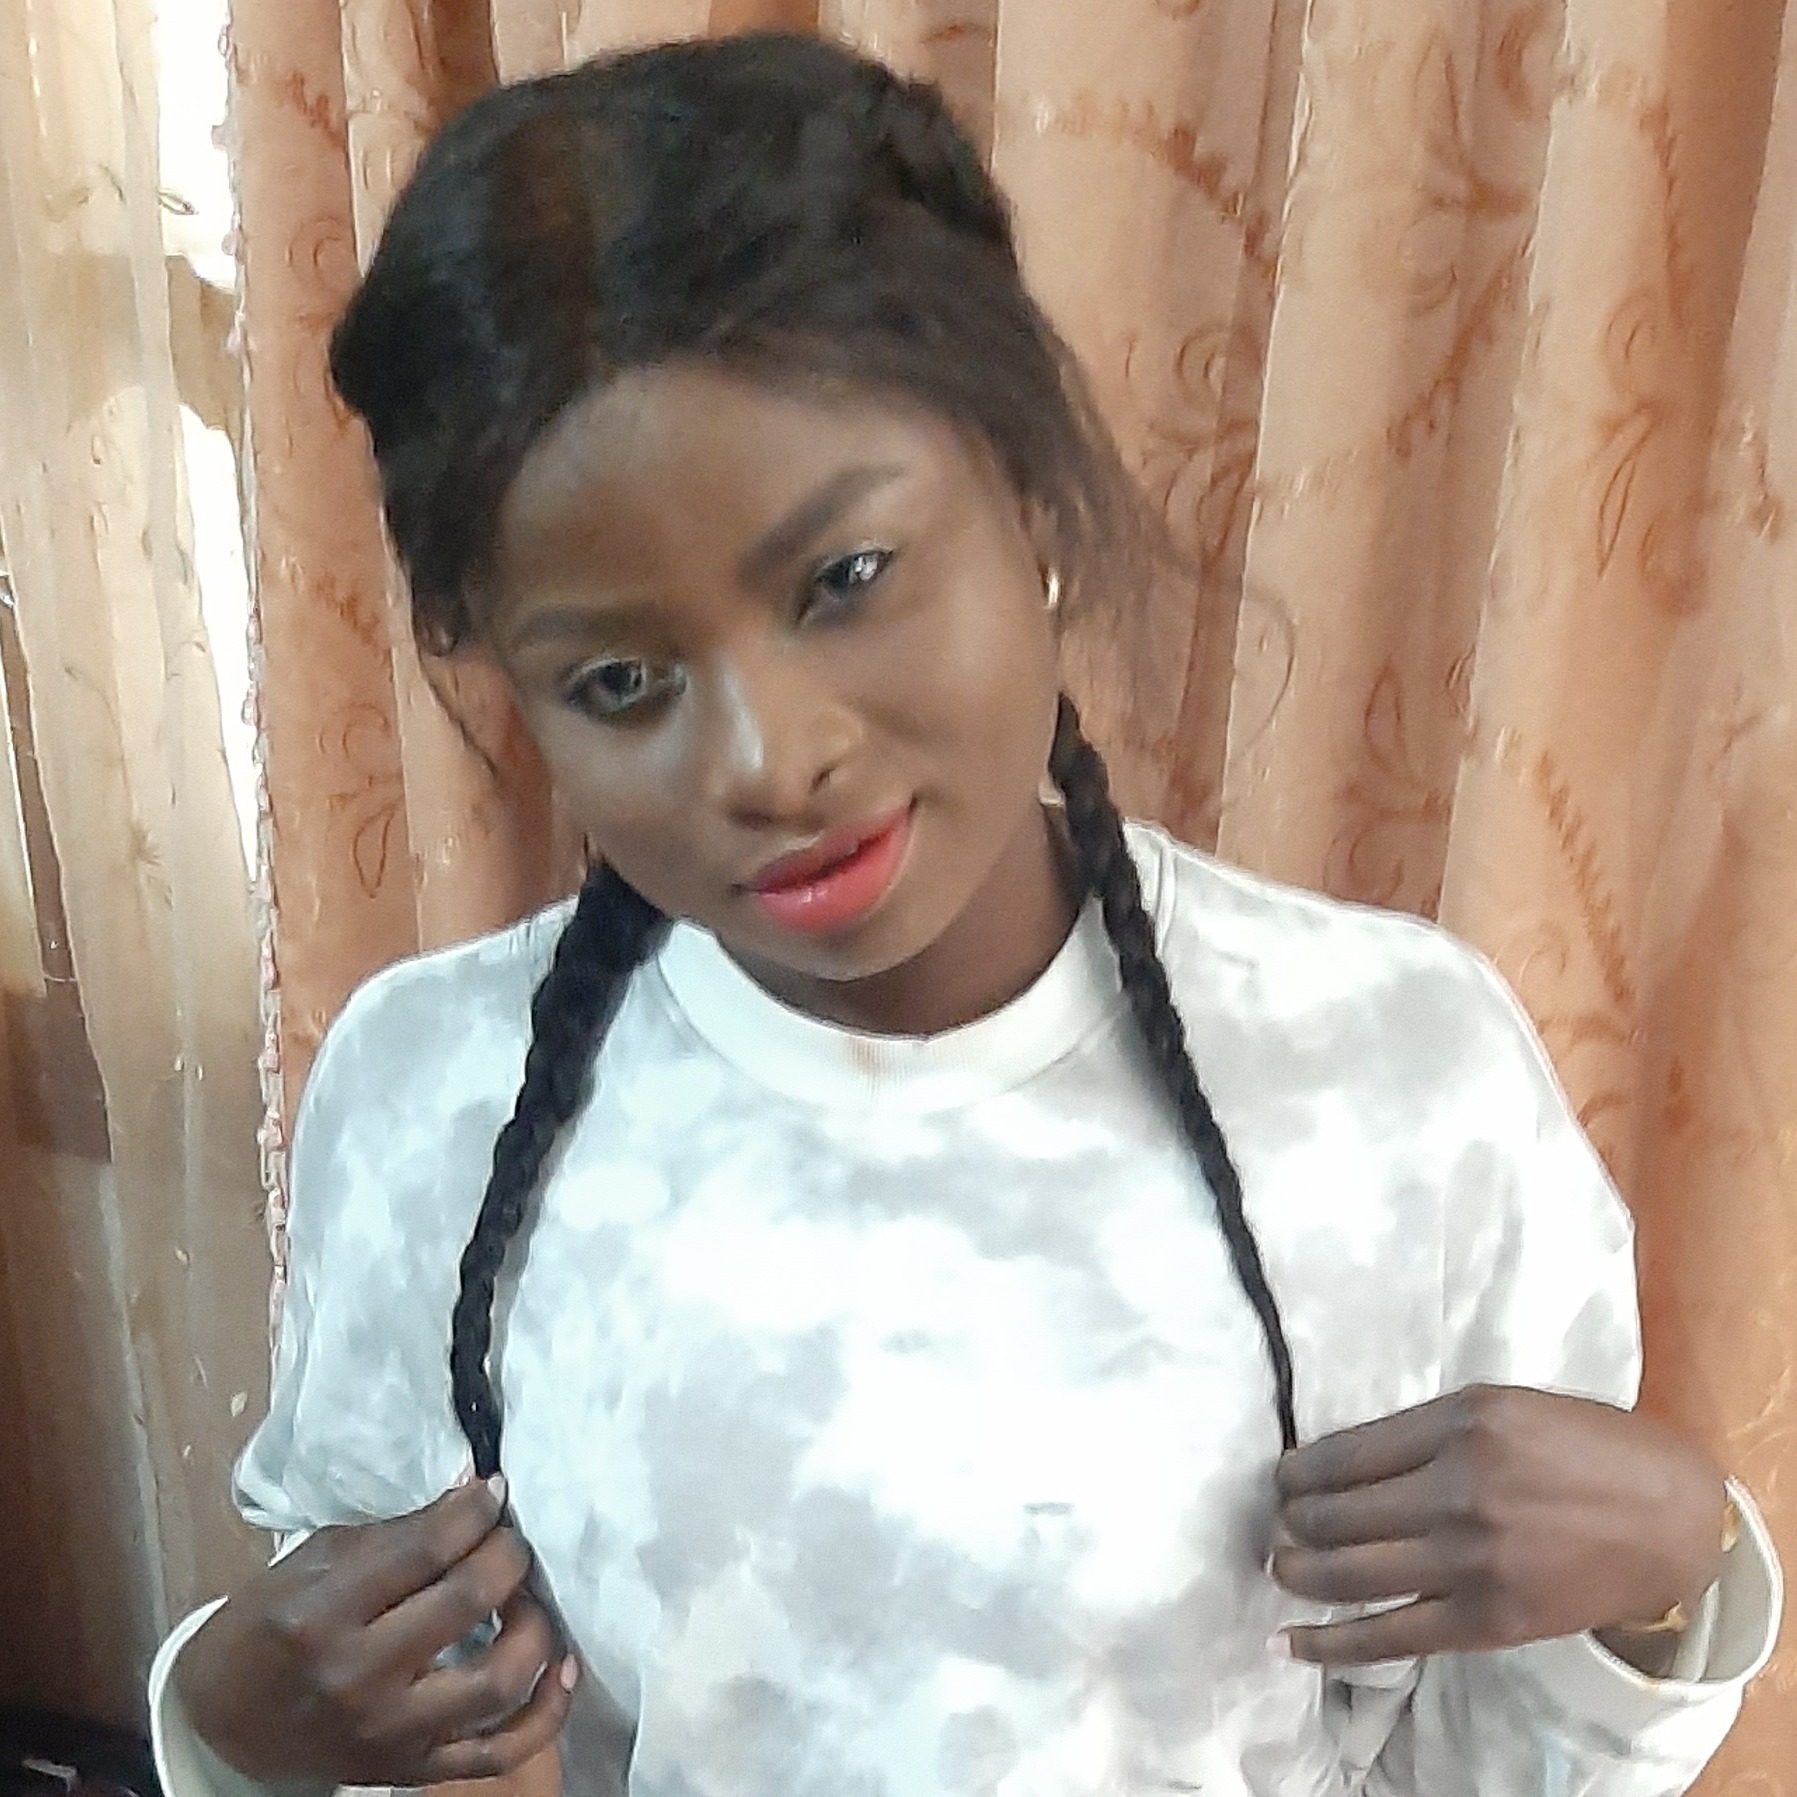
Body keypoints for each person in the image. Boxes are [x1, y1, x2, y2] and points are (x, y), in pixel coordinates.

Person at [148, 31, 1780, 1797]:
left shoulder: (1392, 1076)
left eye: (843, 579)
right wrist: (228, 1719)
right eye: (621, 680)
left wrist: (1663, 1585)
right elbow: (405, 1709)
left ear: (1025, 493)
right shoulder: (431, 1096)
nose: (768, 759)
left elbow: (1480, 1760)